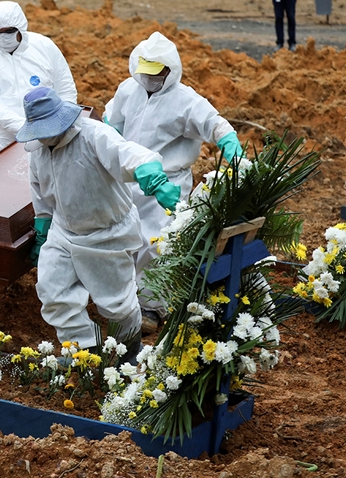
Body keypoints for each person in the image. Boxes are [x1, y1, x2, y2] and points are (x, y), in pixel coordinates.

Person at [17, 86, 180, 362]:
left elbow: (128, 154)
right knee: (53, 292)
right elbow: (39, 190)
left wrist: (153, 176)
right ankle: (85, 350)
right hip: (64, 231)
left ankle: (129, 350)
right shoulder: (40, 150)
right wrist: (43, 228)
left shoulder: (93, 135)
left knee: (118, 304)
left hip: (108, 232)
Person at [103, 32, 242, 332]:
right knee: (123, 241)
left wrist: (228, 141)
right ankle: (124, 302)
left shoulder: (185, 101)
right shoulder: (129, 90)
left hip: (167, 185)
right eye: (145, 73)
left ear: (169, 71)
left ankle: (151, 306)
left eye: (156, 74)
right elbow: (111, 122)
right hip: (129, 179)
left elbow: (214, 123)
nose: (149, 80)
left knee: (157, 244)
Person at [0, 1, 78, 165]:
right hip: (0, 137)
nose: (4, 36)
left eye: (9, 31)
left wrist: (59, 125)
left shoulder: (44, 47)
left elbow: (65, 88)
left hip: (48, 132)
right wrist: (25, 128)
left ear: (21, 27)